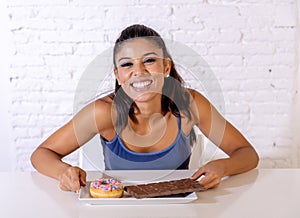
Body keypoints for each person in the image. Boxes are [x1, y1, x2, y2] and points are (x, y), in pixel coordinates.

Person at [31, 24, 259, 192]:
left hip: (178, 208)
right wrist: (64, 172)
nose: (138, 71)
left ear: (166, 66)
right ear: (118, 75)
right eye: (127, 64)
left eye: (149, 61)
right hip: (119, 208)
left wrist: (222, 166)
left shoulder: (190, 104)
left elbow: (247, 154)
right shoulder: (103, 113)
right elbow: (41, 154)